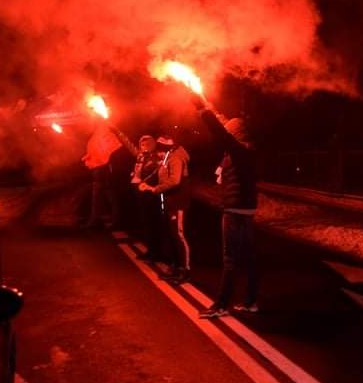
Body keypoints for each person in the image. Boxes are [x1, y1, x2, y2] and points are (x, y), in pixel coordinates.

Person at [193, 99, 260, 318]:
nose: (227, 130)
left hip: (235, 211)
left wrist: (202, 110)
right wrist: (207, 104)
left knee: (230, 259)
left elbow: (220, 132)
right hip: (244, 210)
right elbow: (223, 125)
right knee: (248, 258)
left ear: (236, 133)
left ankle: (221, 305)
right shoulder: (245, 150)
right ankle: (251, 302)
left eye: (230, 130)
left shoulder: (240, 151)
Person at [140, 135, 191, 284]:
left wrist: (153, 189)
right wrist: (145, 183)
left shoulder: (175, 158)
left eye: (160, 149)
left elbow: (175, 181)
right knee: (171, 235)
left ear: (166, 148)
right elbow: (159, 174)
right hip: (170, 202)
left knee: (178, 236)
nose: (158, 153)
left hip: (178, 202)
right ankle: (175, 266)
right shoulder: (167, 158)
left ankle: (185, 270)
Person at [110, 127, 163, 261]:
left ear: (153, 145)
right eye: (142, 144)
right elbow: (128, 143)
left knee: (153, 222)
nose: (144, 146)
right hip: (140, 192)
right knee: (145, 222)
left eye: (147, 144)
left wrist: (144, 183)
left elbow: (156, 175)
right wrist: (116, 131)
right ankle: (150, 250)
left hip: (150, 194)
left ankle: (156, 252)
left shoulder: (157, 158)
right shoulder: (140, 155)